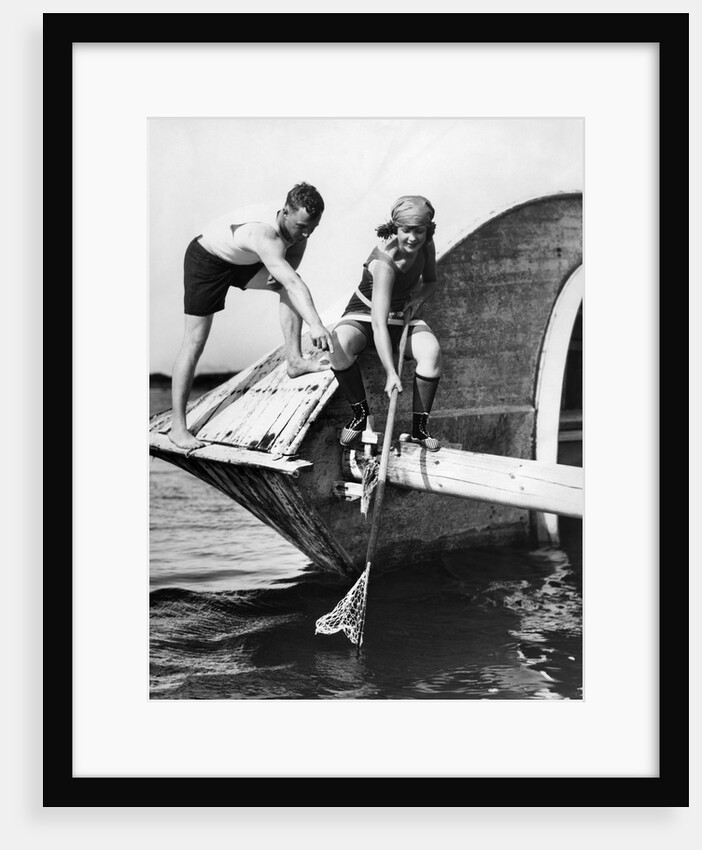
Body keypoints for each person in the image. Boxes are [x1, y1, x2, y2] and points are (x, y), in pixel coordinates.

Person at [169, 182, 334, 450]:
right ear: (285, 212)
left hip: (243, 261)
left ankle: (295, 361)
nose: (306, 234)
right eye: (302, 227)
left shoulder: (298, 232)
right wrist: (315, 324)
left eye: (312, 228)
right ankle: (178, 428)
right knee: (194, 342)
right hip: (207, 259)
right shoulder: (265, 233)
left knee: (289, 286)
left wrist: (281, 274)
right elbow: (292, 282)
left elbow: (289, 276)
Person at [329, 194, 442, 452]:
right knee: (337, 346)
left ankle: (420, 429)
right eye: (406, 230)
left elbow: (431, 282)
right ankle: (359, 415)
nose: (413, 237)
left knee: (431, 350)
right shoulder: (384, 261)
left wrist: (417, 299)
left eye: (419, 231)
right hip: (365, 315)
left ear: (428, 230)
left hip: (401, 315)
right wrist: (391, 373)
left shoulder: (427, 245)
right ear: (395, 228)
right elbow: (378, 324)